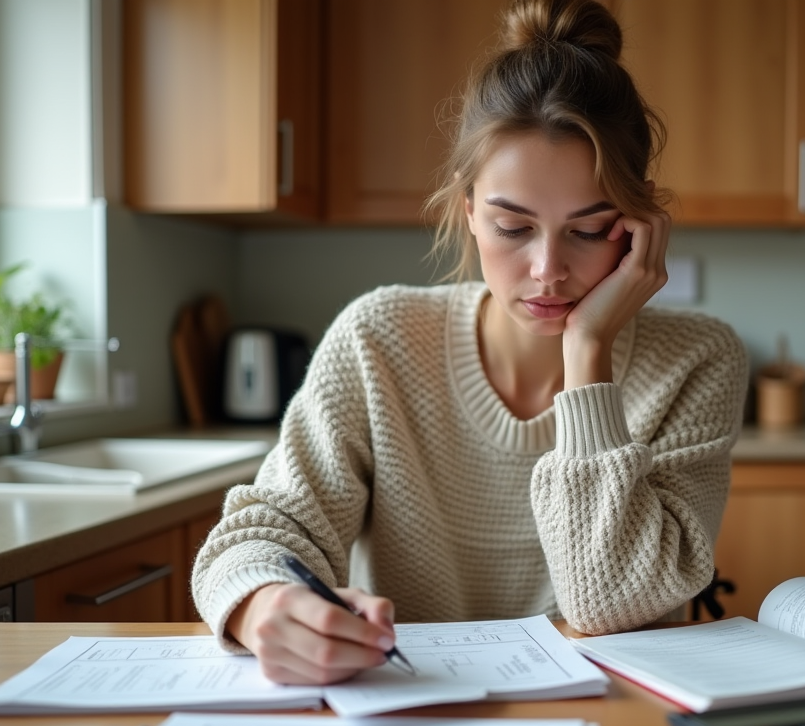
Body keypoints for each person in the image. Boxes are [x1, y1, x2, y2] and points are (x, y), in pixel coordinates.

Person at [191, 0, 748, 686]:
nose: (548, 269)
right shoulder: (379, 340)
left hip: (615, 722)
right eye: (513, 227)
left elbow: (614, 606)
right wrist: (265, 605)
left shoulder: (700, 360)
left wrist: (589, 359)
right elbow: (258, 535)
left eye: (588, 228)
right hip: (411, 716)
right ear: (469, 215)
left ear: (641, 228)